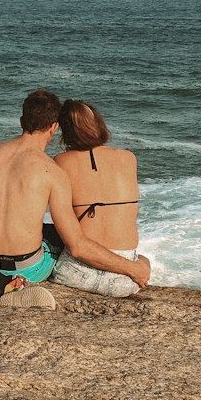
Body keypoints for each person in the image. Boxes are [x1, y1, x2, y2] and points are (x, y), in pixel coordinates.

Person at [0, 89, 150, 291]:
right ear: (54, 127)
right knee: (59, 235)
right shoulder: (53, 171)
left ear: (21, 121)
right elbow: (77, 246)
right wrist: (134, 269)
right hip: (28, 270)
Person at [50, 99, 144, 298]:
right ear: (98, 124)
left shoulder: (60, 162)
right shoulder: (129, 158)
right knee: (144, 260)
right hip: (125, 280)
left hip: (74, 274)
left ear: (65, 132)